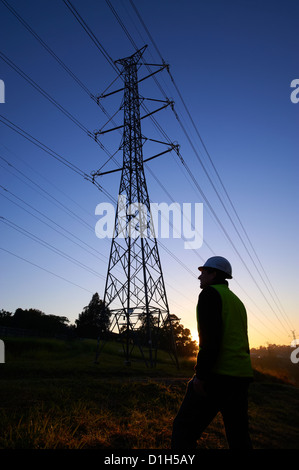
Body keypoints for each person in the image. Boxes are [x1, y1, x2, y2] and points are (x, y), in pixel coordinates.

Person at [171, 256, 253, 449]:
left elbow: (211, 338)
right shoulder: (236, 301)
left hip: (218, 376)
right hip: (241, 377)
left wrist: (201, 375)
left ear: (213, 273)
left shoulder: (210, 294)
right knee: (239, 437)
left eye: (203, 272)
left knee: (183, 430)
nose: (199, 277)